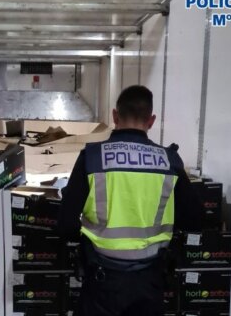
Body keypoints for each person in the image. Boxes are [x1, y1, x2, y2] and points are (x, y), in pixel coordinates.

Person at [58, 85, 203, 316]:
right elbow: (195, 219)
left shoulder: (92, 157)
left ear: (115, 116)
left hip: (102, 281)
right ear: (151, 121)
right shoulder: (170, 161)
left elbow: (66, 223)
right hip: (150, 282)